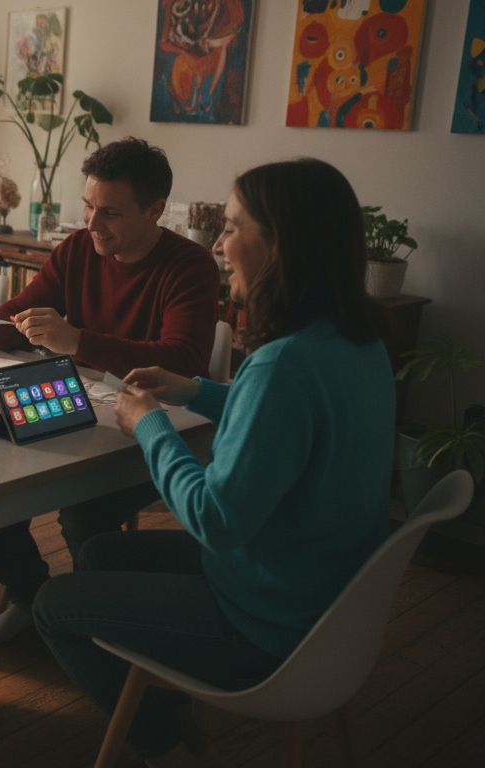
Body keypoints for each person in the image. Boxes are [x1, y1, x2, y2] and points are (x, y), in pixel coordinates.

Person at [32, 158, 393, 766]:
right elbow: (290, 424)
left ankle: (161, 739)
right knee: (99, 553)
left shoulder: (284, 365)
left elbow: (214, 518)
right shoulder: (357, 344)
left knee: (52, 604)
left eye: (232, 228)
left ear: (283, 245)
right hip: (322, 594)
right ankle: (160, 701)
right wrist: (197, 391)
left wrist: (149, 425)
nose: (221, 245)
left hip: (264, 620)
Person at [0, 137, 219, 644]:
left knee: (83, 515)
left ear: (156, 210)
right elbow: (24, 316)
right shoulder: (78, 248)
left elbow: (183, 362)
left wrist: (78, 341)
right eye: (89, 207)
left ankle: (103, 628)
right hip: (82, 411)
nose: (93, 225)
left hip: (155, 427)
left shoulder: (190, 266)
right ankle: (33, 598)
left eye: (111, 214)